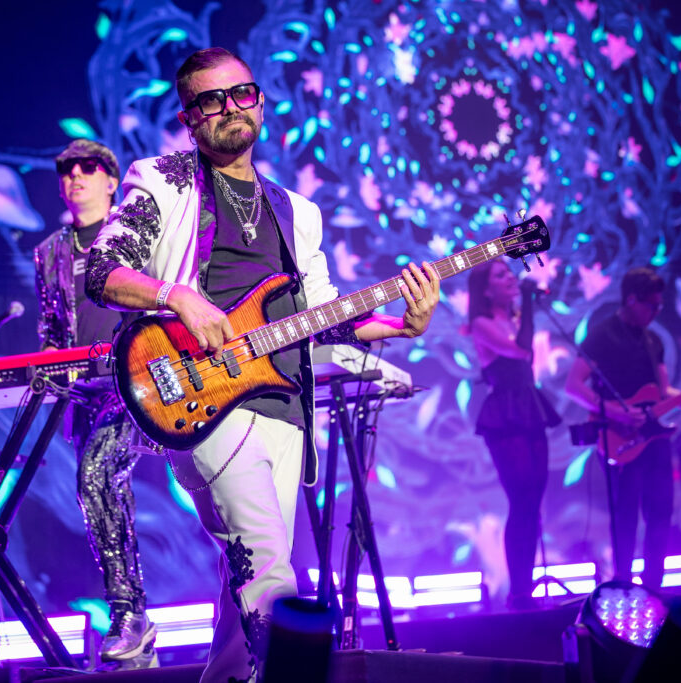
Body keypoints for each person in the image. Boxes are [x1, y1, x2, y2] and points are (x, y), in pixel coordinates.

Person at [84, 47, 441, 682]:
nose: (230, 109)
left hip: (284, 407)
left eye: (241, 94)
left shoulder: (298, 212)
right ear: (190, 117)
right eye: (210, 100)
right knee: (272, 574)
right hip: (202, 400)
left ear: (260, 101)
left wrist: (401, 325)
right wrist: (179, 298)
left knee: (240, 593)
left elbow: (326, 313)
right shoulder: (160, 179)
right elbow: (102, 271)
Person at [34, 139, 157, 669]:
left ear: (111, 181)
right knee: (101, 489)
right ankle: (133, 617)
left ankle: (131, 611)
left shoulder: (131, 237)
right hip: (86, 397)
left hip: (142, 383)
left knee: (95, 477)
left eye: (89, 168)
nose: (75, 176)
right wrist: (47, 364)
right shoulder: (48, 253)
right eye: (66, 170)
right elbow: (51, 328)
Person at [565, 267, 680, 589]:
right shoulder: (603, 335)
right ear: (631, 299)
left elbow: (663, 390)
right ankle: (624, 583)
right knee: (626, 515)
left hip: (654, 437)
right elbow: (574, 385)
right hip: (619, 437)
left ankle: (655, 585)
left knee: (660, 512)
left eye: (659, 307)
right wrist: (615, 411)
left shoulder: (653, 339)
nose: (655, 312)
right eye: (650, 306)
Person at [468, 260, 560, 610]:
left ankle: (526, 586)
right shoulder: (481, 323)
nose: (510, 278)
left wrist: (526, 306)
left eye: (510, 273)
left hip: (529, 404)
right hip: (505, 412)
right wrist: (528, 300)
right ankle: (518, 592)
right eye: (501, 275)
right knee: (521, 498)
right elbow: (519, 350)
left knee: (534, 500)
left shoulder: (516, 320)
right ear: (487, 289)